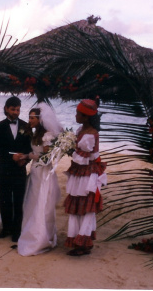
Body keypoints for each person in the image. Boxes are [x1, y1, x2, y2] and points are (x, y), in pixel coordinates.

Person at [13, 103, 63, 256]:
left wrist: (29, 156)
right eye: (29, 117)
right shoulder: (34, 134)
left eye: (32, 118)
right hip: (34, 172)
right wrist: (27, 156)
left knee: (42, 205)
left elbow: (46, 159)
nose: (29, 120)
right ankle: (28, 233)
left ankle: (40, 237)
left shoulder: (47, 135)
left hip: (43, 173)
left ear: (40, 120)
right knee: (31, 203)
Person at [63, 97, 107, 256]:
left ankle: (82, 242)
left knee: (85, 207)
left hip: (87, 173)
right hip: (81, 172)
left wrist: (68, 149)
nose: (76, 116)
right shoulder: (82, 131)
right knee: (78, 205)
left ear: (86, 117)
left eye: (78, 114)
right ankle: (79, 240)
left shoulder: (89, 134)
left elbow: (82, 157)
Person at [0, 96, 32, 242]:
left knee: (18, 201)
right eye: (13, 109)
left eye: (18, 109)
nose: (16, 112)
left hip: (19, 169)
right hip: (4, 169)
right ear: (6, 109)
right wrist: (12, 157)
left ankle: (17, 230)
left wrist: (24, 160)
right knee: (4, 200)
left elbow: (29, 148)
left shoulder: (26, 127)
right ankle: (6, 228)